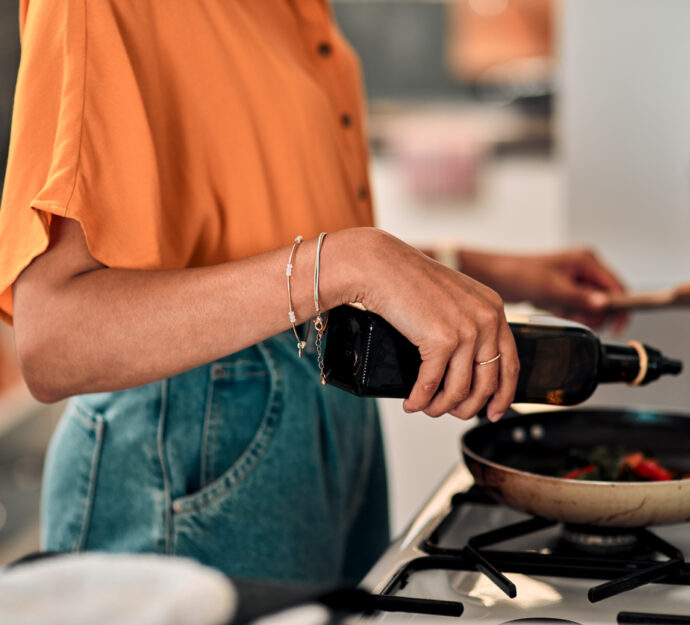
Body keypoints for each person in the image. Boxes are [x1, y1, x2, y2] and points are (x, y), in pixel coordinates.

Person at [0, 0, 625, 586]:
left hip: (327, 422)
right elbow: (53, 338)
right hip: (190, 457)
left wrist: (476, 268)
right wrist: (358, 261)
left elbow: (282, 248)